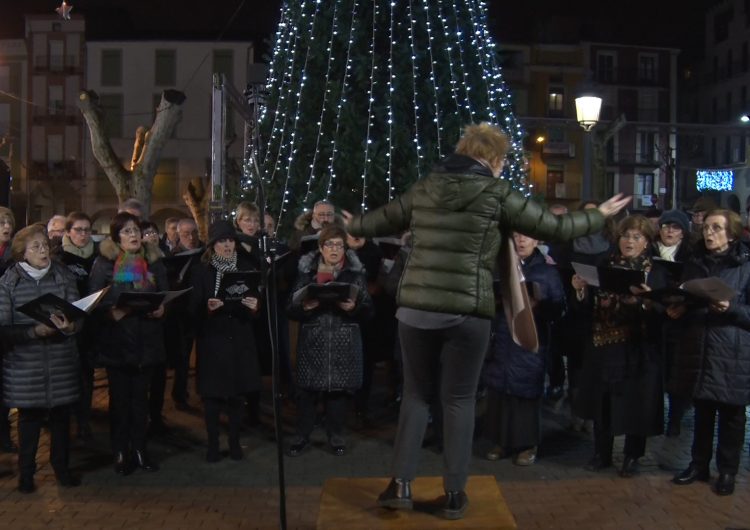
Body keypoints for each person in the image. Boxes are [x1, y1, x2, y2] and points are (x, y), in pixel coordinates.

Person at [344, 122, 630, 520]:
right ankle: (455, 494)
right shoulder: (497, 193)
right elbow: (556, 226)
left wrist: (352, 225)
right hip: (467, 312)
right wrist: (597, 215)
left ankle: (400, 485)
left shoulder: (425, 187)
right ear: (494, 158)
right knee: (458, 399)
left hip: (416, 311)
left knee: (415, 396)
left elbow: (378, 220)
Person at [570, 215, 666, 478]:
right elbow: (585, 308)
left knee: (636, 403)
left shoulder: (655, 271)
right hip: (604, 344)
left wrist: (648, 301)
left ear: (646, 242)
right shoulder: (604, 263)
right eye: (625, 236)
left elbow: (664, 311)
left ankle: (632, 456)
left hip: (639, 348)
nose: (629, 241)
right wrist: (580, 290)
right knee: (603, 402)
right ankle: (601, 453)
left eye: (636, 237)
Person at [670, 209, 750, 496]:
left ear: (731, 233)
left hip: (733, 351)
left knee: (731, 416)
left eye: (716, 228)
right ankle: (698, 464)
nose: (709, 232)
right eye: (706, 227)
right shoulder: (694, 263)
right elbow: (690, 297)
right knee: (702, 412)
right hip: (700, 347)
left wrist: (732, 310)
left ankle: (727, 471)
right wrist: (680, 306)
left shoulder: (746, 265)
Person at [0, 225, 81, 492]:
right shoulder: (8, 282)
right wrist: (34, 331)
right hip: (26, 365)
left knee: (60, 419)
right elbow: (3, 329)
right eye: (35, 246)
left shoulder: (63, 276)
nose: (43, 250)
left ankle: (62, 468)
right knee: (29, 421)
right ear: (22, 253)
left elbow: (78, 314)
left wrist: (71, 327)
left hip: (60, 361)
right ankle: (26, 474)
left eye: (45, 244)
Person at [88, 212, 168, 475]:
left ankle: (140, 450)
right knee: (120, 402)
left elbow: (164, 295)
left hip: (147, 342)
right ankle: (121, 452)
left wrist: (161, 309)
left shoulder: (154, 261)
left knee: (140, 403)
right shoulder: (105, 263)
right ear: (116, 237)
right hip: (118, 344)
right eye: (126, 231)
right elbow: (93, 301)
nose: (133, 235)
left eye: (136, 230)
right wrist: (111, 312)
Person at [286, 224, 373, 457]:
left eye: (339, 245)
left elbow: (368, 310)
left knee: (338, 393)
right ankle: (301, 436)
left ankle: (336, 436)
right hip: (313, 340)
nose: (334, 249)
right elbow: (290, 308)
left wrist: (354, 307)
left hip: (344, 342)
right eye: (330, 244)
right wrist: (304, 306)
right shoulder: (306, 273)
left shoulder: (355, 274)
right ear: (320, 247)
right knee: (307, 393)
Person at [482, 231, 565, 466]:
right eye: (516, 236)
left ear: (537, 240)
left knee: (525, 393)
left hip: (530, 340)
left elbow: (558, 310)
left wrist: (539, 305)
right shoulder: (500, 266)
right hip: (501, 336)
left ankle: (527, 445)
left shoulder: (547, 272)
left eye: (526, 236)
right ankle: (501, 441)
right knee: (499, 390)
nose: (521, 240)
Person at [190, 220, 262, 462]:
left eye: (230, 240)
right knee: (212, 397)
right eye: (222, 241)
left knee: (236, 396)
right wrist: (207, 307)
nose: (227, 245)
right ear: (212, 245)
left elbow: (255, 296)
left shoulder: (246, 266)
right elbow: (191, 307)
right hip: (213, 339)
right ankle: (212, 444)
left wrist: (254, 306)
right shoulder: (202, 269)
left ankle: (234, 443)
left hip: (239, 337)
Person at [58, 212, 99, 441]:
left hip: (90, 322)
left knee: (86, 373)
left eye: (87, 230)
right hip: (68, 321)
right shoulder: (60, 258)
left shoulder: (97, 256)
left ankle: (84, 420)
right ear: (68, 232)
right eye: (78, 230)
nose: (83, 235)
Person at [653, 209, 693, 437]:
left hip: (679, 322)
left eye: (675, 227)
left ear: (683, 233)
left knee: (677, 373)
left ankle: (675, 418)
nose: (669, 230)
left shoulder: (689, 256)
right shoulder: (649, 251)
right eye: (666, 225)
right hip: (655, 318)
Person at [0, 206, 16, 453]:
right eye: (1, 222)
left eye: (9, 223)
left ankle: (4, 437)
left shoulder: (16, 255)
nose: (6, 227)